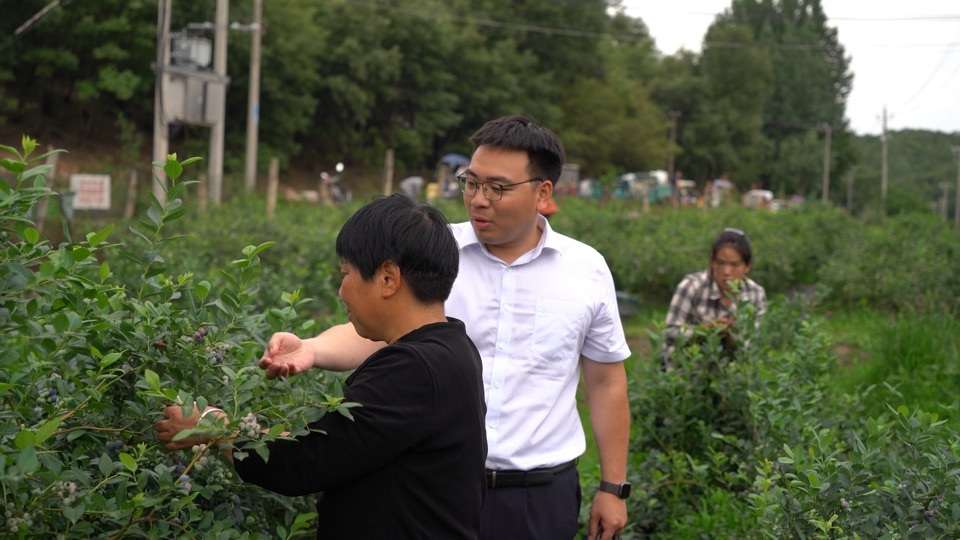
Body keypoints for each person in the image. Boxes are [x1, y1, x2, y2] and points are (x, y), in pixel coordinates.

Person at [257, 115, 632, 540]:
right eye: (471, 183)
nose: (479, 199)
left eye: (498, 188)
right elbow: (387, 332)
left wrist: (612, 486)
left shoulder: (585, 269)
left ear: (543, 192)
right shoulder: (435, 252)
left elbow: (605, 381)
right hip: (433, 484)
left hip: (537, 493)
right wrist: (313, 348)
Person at [155, 194, 487, 539]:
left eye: (346, 273)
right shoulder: (455, 347)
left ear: (388, 278)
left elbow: (300, 464)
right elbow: (345, 448)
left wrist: (214, 426)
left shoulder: (412, 370)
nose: (341, 290)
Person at [664, 228, 767, 359]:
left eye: (734, 265)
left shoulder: (755, 294)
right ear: (712, 261)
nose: (726, 271)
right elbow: (670, 332)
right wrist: (704, 331)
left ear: (747, 266)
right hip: (689, 370)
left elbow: (753, 344)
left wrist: (731, 334)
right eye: (720, 263)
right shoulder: (691, 286)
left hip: (732, 373)